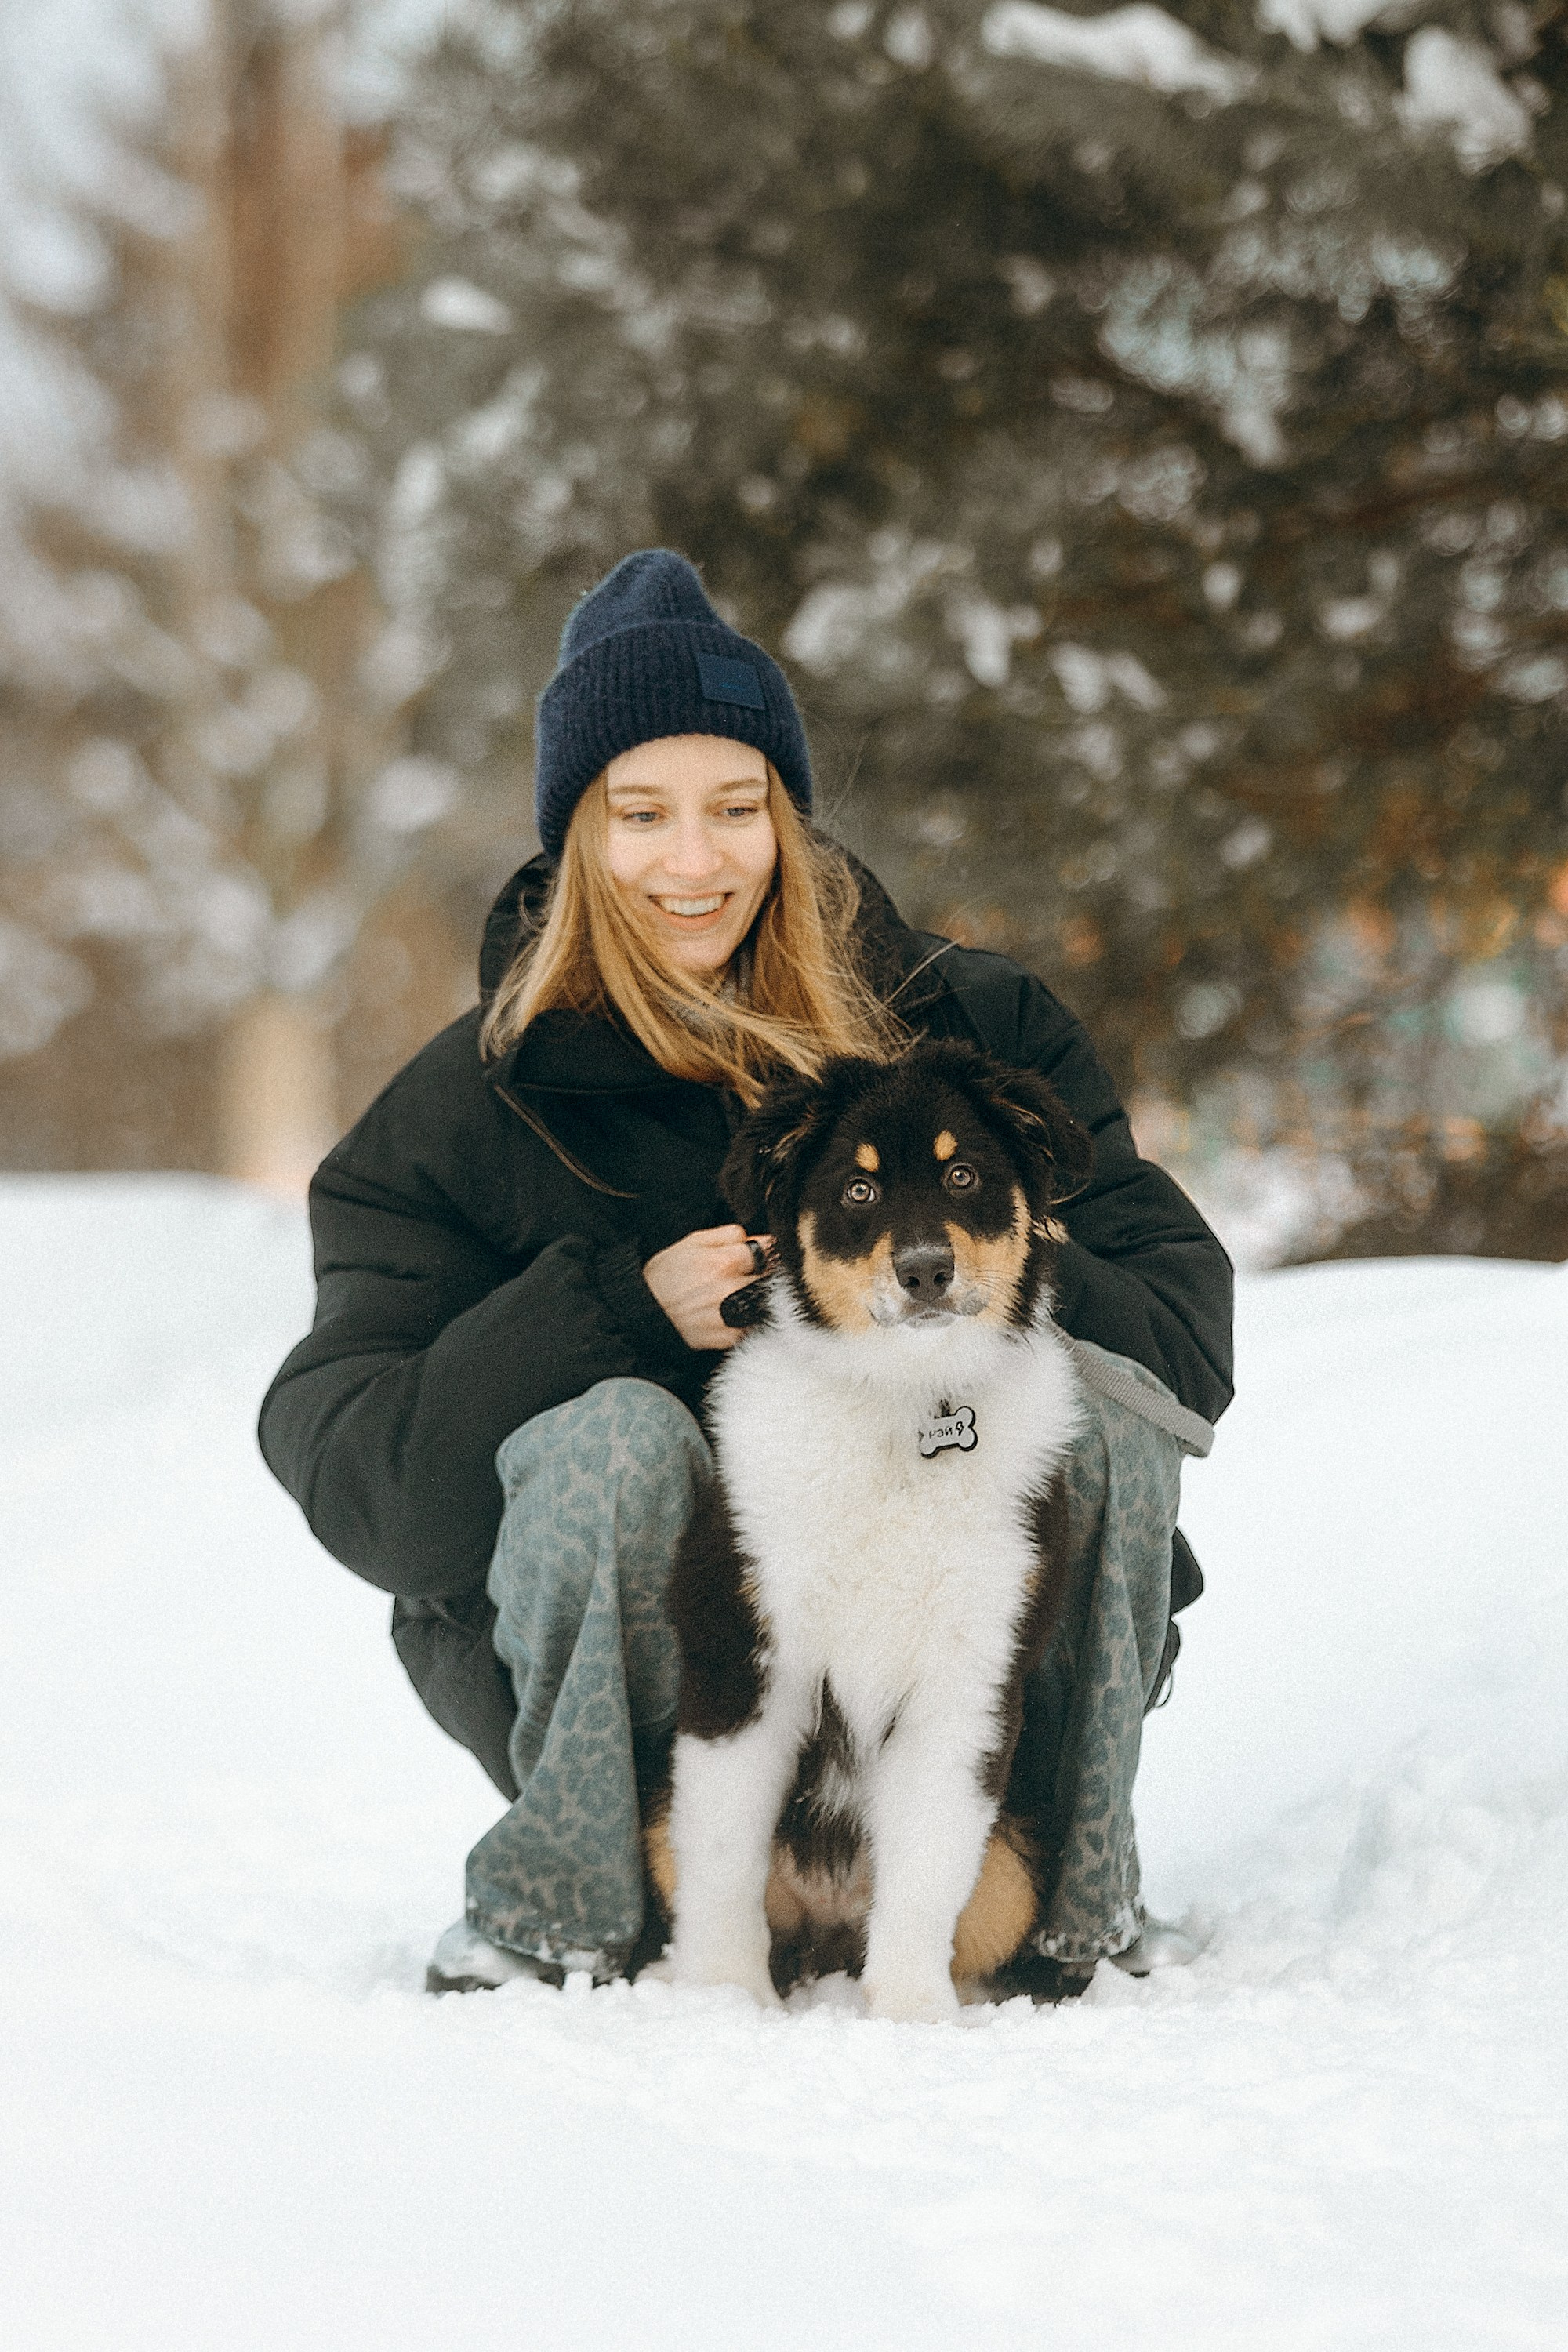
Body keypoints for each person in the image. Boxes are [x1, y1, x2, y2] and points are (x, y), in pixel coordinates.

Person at [258, 550, 1233, 1999]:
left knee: (1101, 1400)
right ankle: (563, 1903)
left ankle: (1067, 1906)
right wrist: (606, 1314)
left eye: (735, 809)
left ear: (787, 815)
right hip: (665, 1707)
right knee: (613, 1444)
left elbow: (1184, 1335)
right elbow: (365, 1485)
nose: (693, 862)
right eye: (640, 815)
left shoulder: (972, 1026)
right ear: (578, 835)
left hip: (950, 1676)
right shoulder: (474, 1108)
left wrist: (977, 1278)